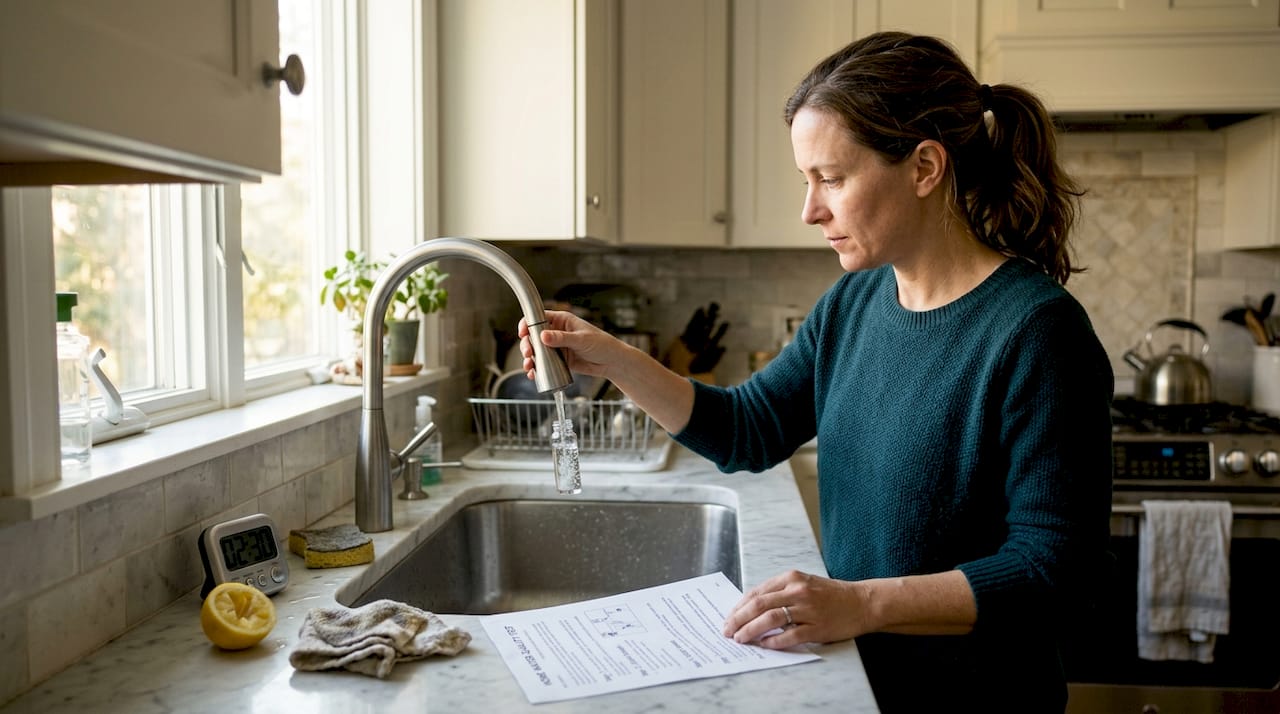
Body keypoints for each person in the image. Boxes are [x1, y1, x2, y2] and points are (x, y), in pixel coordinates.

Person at [519, 31, 1113, 713]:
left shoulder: (1036, 331)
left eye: (831, 178)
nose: (810, 210)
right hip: (863, 684)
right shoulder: (856, 301)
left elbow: (1056, 571)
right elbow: (750, 428)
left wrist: (859, 604)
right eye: (807, 181)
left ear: (924, 168)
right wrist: (613, 359)